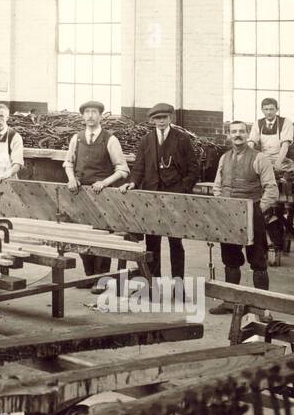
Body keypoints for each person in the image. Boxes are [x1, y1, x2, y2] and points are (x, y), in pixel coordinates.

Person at [123, 102, 197, 281]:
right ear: (152, 120)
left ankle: (177, 285)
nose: (161, 122)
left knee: (175, 242)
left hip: (174, 197)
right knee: (152, 242)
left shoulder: (182, 138)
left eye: (164, 118)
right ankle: (153, 283)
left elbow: (194, 168)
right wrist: (132, 182)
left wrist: (182, 189)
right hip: (151, 197)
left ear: (170, 118)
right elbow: (139, 167)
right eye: (157, 119)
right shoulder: (146, 140)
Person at [210, 120, 278, 312]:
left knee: (258, 260)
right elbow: (217, 186)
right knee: (230, 259)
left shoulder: (260, 158)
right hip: (229, 215)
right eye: (234, 132)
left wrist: (257, 211)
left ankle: (262, 306)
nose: (237, 135)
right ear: (228, 135)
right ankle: (230, 302)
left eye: (241, 131)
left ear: (247, 134)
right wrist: (223, 205)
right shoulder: (224, 158)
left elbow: (271, 189)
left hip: (252, 214)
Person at [61, 100, 129, 275]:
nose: (90, 115)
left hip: (102, 195)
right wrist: (71, 179)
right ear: (83, 116)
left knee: (102, 237)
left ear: (100, 116)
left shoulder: (110, 139)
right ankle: (89, 276)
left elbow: (122, 170)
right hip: (81, 194)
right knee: (82, 235)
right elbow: (68, 162)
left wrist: (104, 183)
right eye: (87, 112)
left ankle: (102, 277)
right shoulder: (77, 138)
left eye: (94, 112)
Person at [249, 97, 294, 169]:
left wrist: (278, 164)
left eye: (271, 109)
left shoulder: (285, 122)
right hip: (263, 159)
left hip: (281, 159)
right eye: (266, 109)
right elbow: (251, 143)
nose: (268, 112)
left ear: (277, 109)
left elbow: (285, 145)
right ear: (262, 110)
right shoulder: (258, 123)